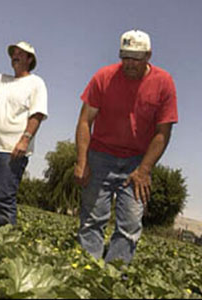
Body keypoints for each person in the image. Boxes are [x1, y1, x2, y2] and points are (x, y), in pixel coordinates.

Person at [74, 29, 178, 264]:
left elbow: (163, 133)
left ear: (149, 56)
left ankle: (112, 278)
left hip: (136, 162)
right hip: (100, 155)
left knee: (129, 225)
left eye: (136, 58)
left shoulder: (164, 83)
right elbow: (84, 121)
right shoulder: (104, 77)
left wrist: (144, 169)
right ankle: (85, 276)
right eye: (125, 57)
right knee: (92, 220)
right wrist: (82, 161)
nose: (129, 63)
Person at [0, 32, 48, 228]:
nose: (15, 55)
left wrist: (25, 140)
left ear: (29, 59)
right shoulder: (4, 80)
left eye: (20, 53)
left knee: (5, 199)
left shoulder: (36, 83)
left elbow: (37, 114)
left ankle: (5, 247)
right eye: (14, 52)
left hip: (13, 151)